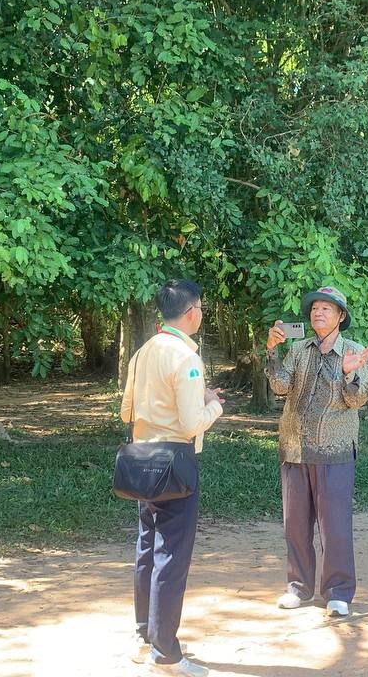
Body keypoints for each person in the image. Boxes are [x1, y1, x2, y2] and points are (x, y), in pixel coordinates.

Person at [120, 278, 225, 677]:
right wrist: (213, 405)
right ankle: (165, 653)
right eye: (201, 308)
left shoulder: (143, 351)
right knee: (171, 556)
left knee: (147, 549)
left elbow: (127, 411)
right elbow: (192, 422)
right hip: (175, 464)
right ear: (192, 312)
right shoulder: (186, 358)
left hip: (142, 459)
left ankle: (144, 637)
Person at [265, 286, 368, 617]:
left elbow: (357, 400)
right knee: (295, 526)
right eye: (314, 308)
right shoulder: (299, 349)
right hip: (295, 449)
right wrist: (272, 351)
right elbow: (281, 387)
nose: (318, 313)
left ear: (341, 316)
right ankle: (298, 587)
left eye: (327, 308)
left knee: (334, 527)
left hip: (334, 451)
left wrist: (348, 372)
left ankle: (338, 592)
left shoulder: (355, 351)